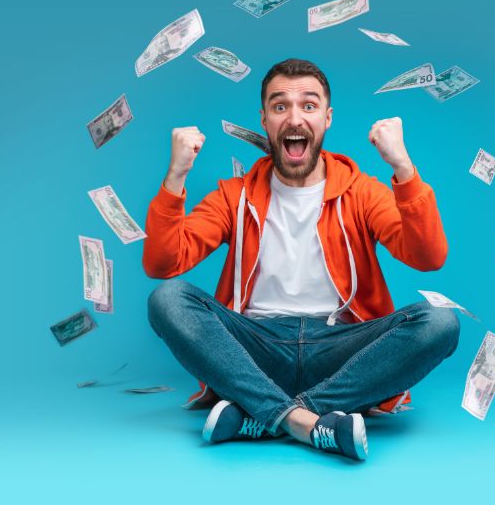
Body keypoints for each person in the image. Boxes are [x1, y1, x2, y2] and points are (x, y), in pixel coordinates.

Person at [144, 58, 460, 461]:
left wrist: (402, 167)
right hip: (256, 348)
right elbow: (161, 265)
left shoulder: (362, 192)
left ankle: (267, 414)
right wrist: (175, 177)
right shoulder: (233, 196)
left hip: (341, 351)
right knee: (167, 298)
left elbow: (428, 257)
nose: (295, 118)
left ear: (327, 119)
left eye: (308, 106)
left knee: (440, 322)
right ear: (264, 120)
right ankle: (309, 422)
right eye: (280, 107)